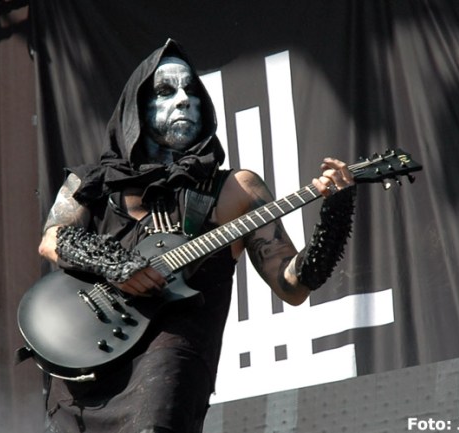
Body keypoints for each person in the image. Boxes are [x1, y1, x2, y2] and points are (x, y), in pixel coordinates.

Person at [37, 39, 356, 433]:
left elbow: (292, 286)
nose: (184, 100)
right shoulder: (90, 183)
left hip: (169, 359)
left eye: (191, 91)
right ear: (136, 108)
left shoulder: (236, 189)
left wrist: (336, 213)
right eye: (165, 91)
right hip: (86, 356)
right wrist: (117, 266)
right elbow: (52, 239)